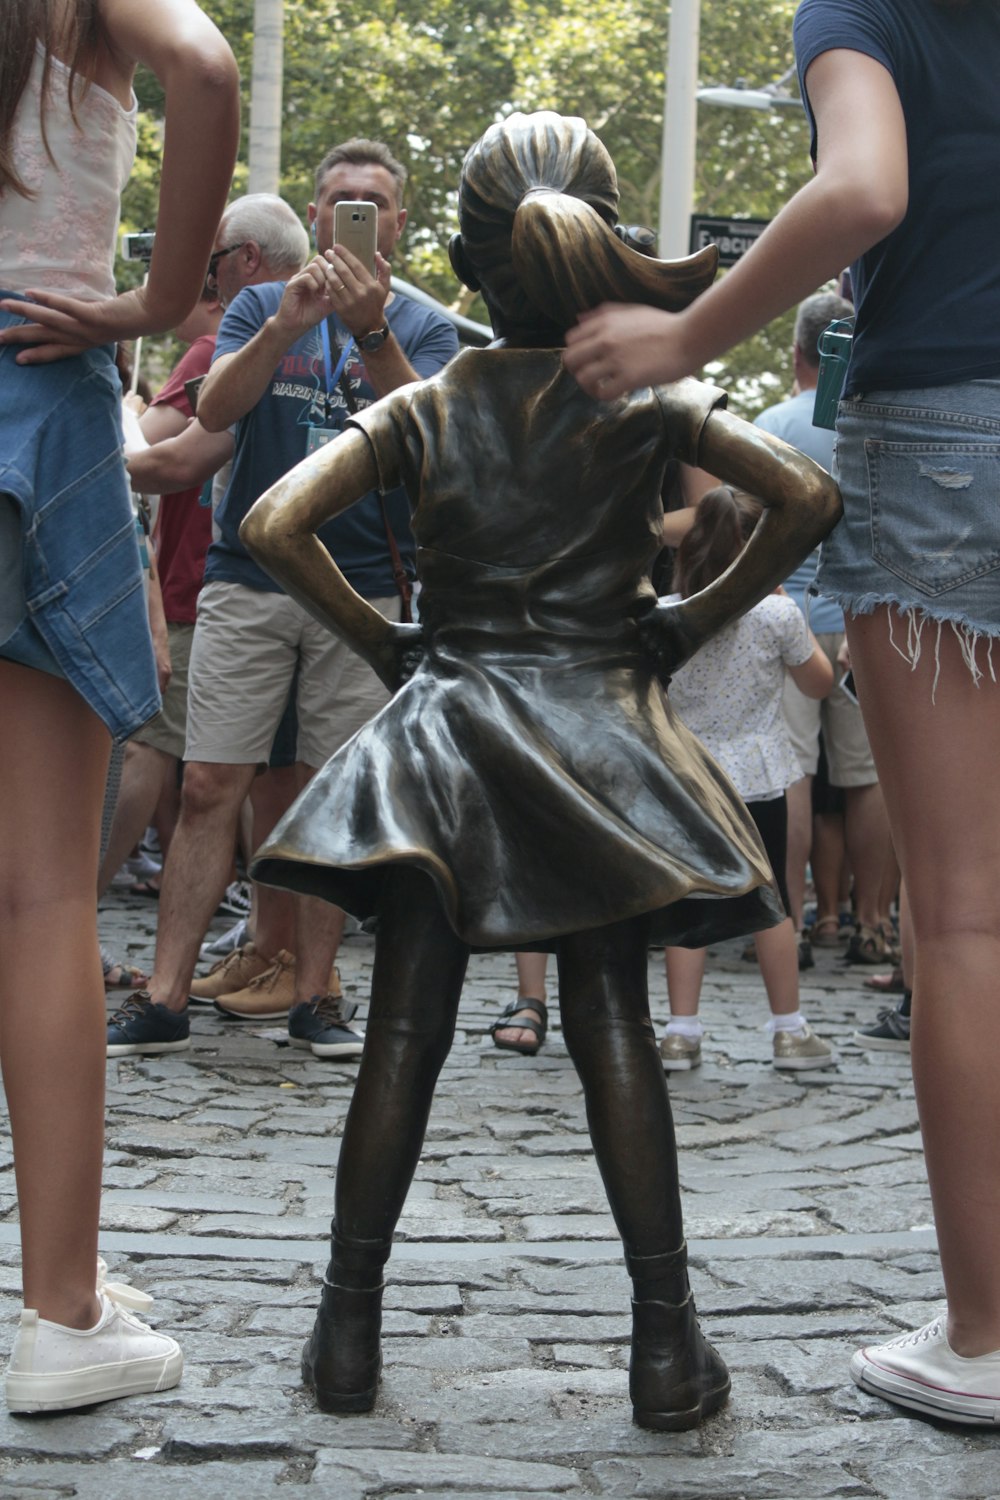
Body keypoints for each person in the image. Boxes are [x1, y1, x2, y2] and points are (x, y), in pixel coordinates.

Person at [239, 110, 840, 1429]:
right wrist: (681, 622)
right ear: (605, 249)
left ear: (463, 260)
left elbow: (273, 522)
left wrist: (392, 643)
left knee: (404, 1030)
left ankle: (346, 1338)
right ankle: (666, 1349)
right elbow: (808, 500)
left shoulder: (428, 403)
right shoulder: (647, 397)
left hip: (443, 739)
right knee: (611, 1027)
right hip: (604, 739)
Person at [564, 0, 1000, 1427]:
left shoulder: (863, 9)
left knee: (967, 914)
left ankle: (986, 1335)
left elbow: (867, 186)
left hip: (947, 428)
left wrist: (686, 331)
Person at [0, 0, 238, 1412]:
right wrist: (157, 303)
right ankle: (62, 1311)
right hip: (30, 396)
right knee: (39, 896)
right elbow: (204, 62)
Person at [104, 148, 459, 1059]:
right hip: (250, 578)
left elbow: (433, 447)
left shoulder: (423, 323)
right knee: (211, 782)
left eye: (373, 204)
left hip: (363, 593)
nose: (356, 213)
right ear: (316, 209)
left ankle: (316, 996)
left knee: (333, 799)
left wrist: (371, 332)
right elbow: (213, 415)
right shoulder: (263, 304)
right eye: (340, 201)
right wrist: (281, 329)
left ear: (398, 224)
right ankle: (166, 993)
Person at [659, 486, 836, 1073]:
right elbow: (820, 683)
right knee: (773, 901)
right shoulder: (776, 613)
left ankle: (681, 1032)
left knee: (690, 895)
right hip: (757, 777)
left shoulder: (666, 614)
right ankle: (789, 1030)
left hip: (688, 774)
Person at [754, 291, 895, 971]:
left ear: (797, 352)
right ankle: (873, 926)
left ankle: (787, 921)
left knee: (795, 775)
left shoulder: (773, 424)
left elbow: (747, 527)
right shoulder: (877, 419)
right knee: (870, 779)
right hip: (865, 616)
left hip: (794, 619)